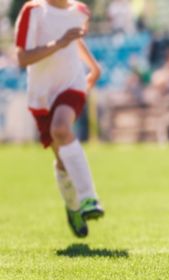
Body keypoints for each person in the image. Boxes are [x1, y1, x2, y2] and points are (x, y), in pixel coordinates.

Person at [15, 0, 105, 238]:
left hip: (71, 84)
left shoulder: (80, 11)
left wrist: (93, 67)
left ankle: (88, 199)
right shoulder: (33, 11)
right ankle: (74, 207)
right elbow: (23, 58)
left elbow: (74, 39)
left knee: (61, 128)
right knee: (62, 160)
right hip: (41, 94)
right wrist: (60, 43)